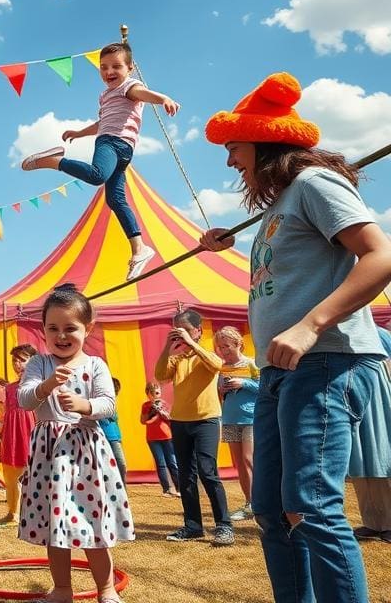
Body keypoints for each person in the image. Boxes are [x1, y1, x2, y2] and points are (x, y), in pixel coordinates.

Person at [200, 72, 391, 602]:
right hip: (281, 371)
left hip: (328, 361)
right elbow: (291, 275)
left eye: (234, 147)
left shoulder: (314, 184)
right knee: (270, 509)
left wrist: (310, 326)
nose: (230, 161)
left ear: (263, 144)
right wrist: (226, 248)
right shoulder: (279, 206)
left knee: (309, 506)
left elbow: (381, 255)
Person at [21, 42, 180, 280]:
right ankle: (139, 248)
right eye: (103, 67)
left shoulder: (129, 86)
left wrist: (163, 98)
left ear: (130, 68)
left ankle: (140, 249)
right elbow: (102, 124)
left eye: (116, 66)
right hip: (110, 143)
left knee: (112, 195)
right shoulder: (106, 95)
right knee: (107, 188)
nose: (109, 72)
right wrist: (78, 133)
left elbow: (142, 94)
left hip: (120, 147)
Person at [18, 284, 133, 603]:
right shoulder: (38, 364)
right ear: (43, 330)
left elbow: (108, 403)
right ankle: (63, 590)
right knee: (54, 524)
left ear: (88, 328)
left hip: (86, 454)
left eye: (71, 328)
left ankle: (106, 589)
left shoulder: (96, 365)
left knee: (92, 522)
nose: (61, 335)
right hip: (50, 456)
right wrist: (46, 386)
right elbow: (25, 399)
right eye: (53, 328)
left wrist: (83, 405)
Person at [154, 308, 234, 546]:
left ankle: (224, 526)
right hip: (180, 421)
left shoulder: (205, 355)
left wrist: (191, 342)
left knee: (208, 472)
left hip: (206, 420)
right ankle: (193, 526)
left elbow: (217, 365)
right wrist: (167, 347)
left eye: (187, 330)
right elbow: (160, 374)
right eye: (177, 331)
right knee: (186, 475)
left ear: (198, 331)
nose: (182, 335)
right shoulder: (177, 359)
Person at [348, 326, 391, 542]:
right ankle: (372, 522)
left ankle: (389, 523)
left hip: (377, 399)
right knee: (360, 462)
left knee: (379, 457)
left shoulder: (380, 334)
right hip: (351, 395)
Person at [214, 326, 259, 521]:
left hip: (250, 419)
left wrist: (244, 383)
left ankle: (260, 502)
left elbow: (265, 388)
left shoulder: (251, 364)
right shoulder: (222, 367)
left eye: (227, 346)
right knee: (239, 463)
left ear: (238, 344)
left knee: (250, 460)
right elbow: (219, 393)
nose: (224, 351)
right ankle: (249, 503)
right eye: (220, 347)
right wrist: (221, 388)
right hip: (230, 420)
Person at [0, 344, 37, 526]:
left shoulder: (39, 385)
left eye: (22, 359)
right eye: (15, 360)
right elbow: (4, 413)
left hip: (31, 431)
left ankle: (33, 513)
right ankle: (12, 512)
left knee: (32, 473)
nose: (17, 363)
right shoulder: (9, 388)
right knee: (11, 474)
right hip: (12, 433)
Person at [139, 382, 179, 497]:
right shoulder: (145, 405)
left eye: (157, 392)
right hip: (152, 438)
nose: (156, 395)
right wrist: (151, 410)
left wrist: (161, 411)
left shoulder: (164, 404)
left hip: (167, 436)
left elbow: (170, 418)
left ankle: (179, 488)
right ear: (148, 394)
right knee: (161, 464)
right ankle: (166, 489)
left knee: (172, 462)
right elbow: (143, 421)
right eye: (153, 393)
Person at [99, 377, 127, 485]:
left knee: (121, 464)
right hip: (103, 437)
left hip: (115, 437)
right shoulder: (100, 401)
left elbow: (114, 418)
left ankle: (121, 488)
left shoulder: (112, 402)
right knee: (108, 465)